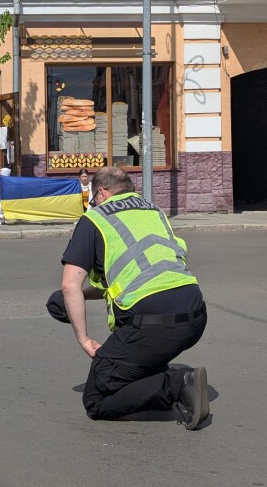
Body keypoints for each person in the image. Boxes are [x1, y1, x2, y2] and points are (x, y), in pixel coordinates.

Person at [60, 166, 209, 430]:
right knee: (140, 352)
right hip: (195, 314)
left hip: (153, 324)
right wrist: (80, 297)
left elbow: (69, 284)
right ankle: (156, 374)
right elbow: (132, 278)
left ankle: (177, 385)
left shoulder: (95, 219)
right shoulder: (154, 211)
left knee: (96, 400)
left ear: (101, 193)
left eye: (94, 199)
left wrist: (84, 339)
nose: (94, 204)